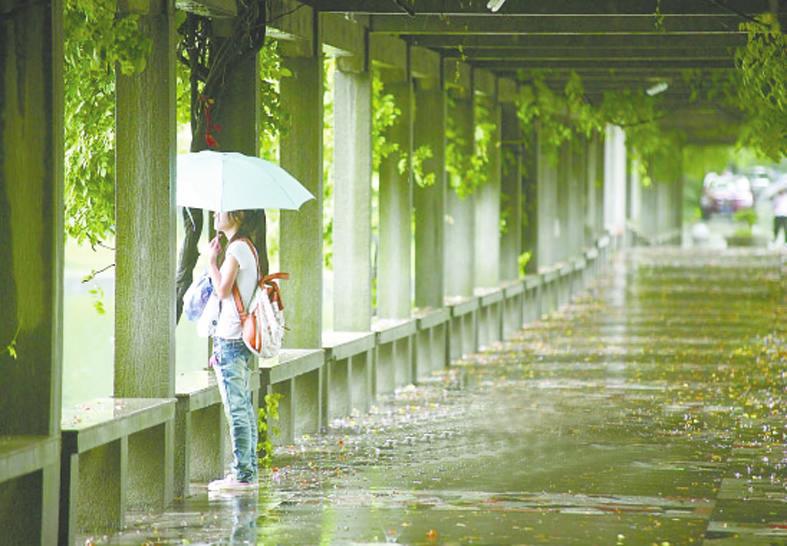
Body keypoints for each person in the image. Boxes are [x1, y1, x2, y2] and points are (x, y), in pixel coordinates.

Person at [205, 209, 265, 492]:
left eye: (222, 209)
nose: (216, 213)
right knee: (243, 406)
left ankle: (242, 474)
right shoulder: (248, 246)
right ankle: (248, 470)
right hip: (238, 338)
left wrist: (210, 261)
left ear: (238, 215)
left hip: (230, 338)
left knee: (236, 408)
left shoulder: (238, 248)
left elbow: (222, 290)